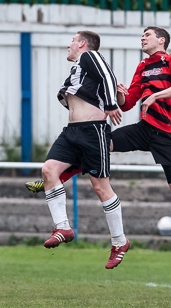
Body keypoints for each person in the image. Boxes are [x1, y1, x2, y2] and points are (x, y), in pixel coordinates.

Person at [27, 27, 171, 273]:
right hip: (143, 128)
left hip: (167, 134)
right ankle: (55, 176)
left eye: (147, 34)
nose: (142, 38)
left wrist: (155, 97)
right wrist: (119, 93)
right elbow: (127, 105)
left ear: (161, 40)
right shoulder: (142, 66)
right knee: (101, 144)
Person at [41, 30, 130, 269]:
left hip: (93, 132)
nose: (69, 45)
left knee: (101, 187)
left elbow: (108, 76)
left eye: (72, 40)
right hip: (72, 132)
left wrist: (111, 104)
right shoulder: (78, 69)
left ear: (82, 44)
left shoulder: (90, 56)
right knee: (49, 170)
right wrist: (115, 98)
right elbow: (101, 88)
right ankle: (63, 227)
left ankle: (119, 241)